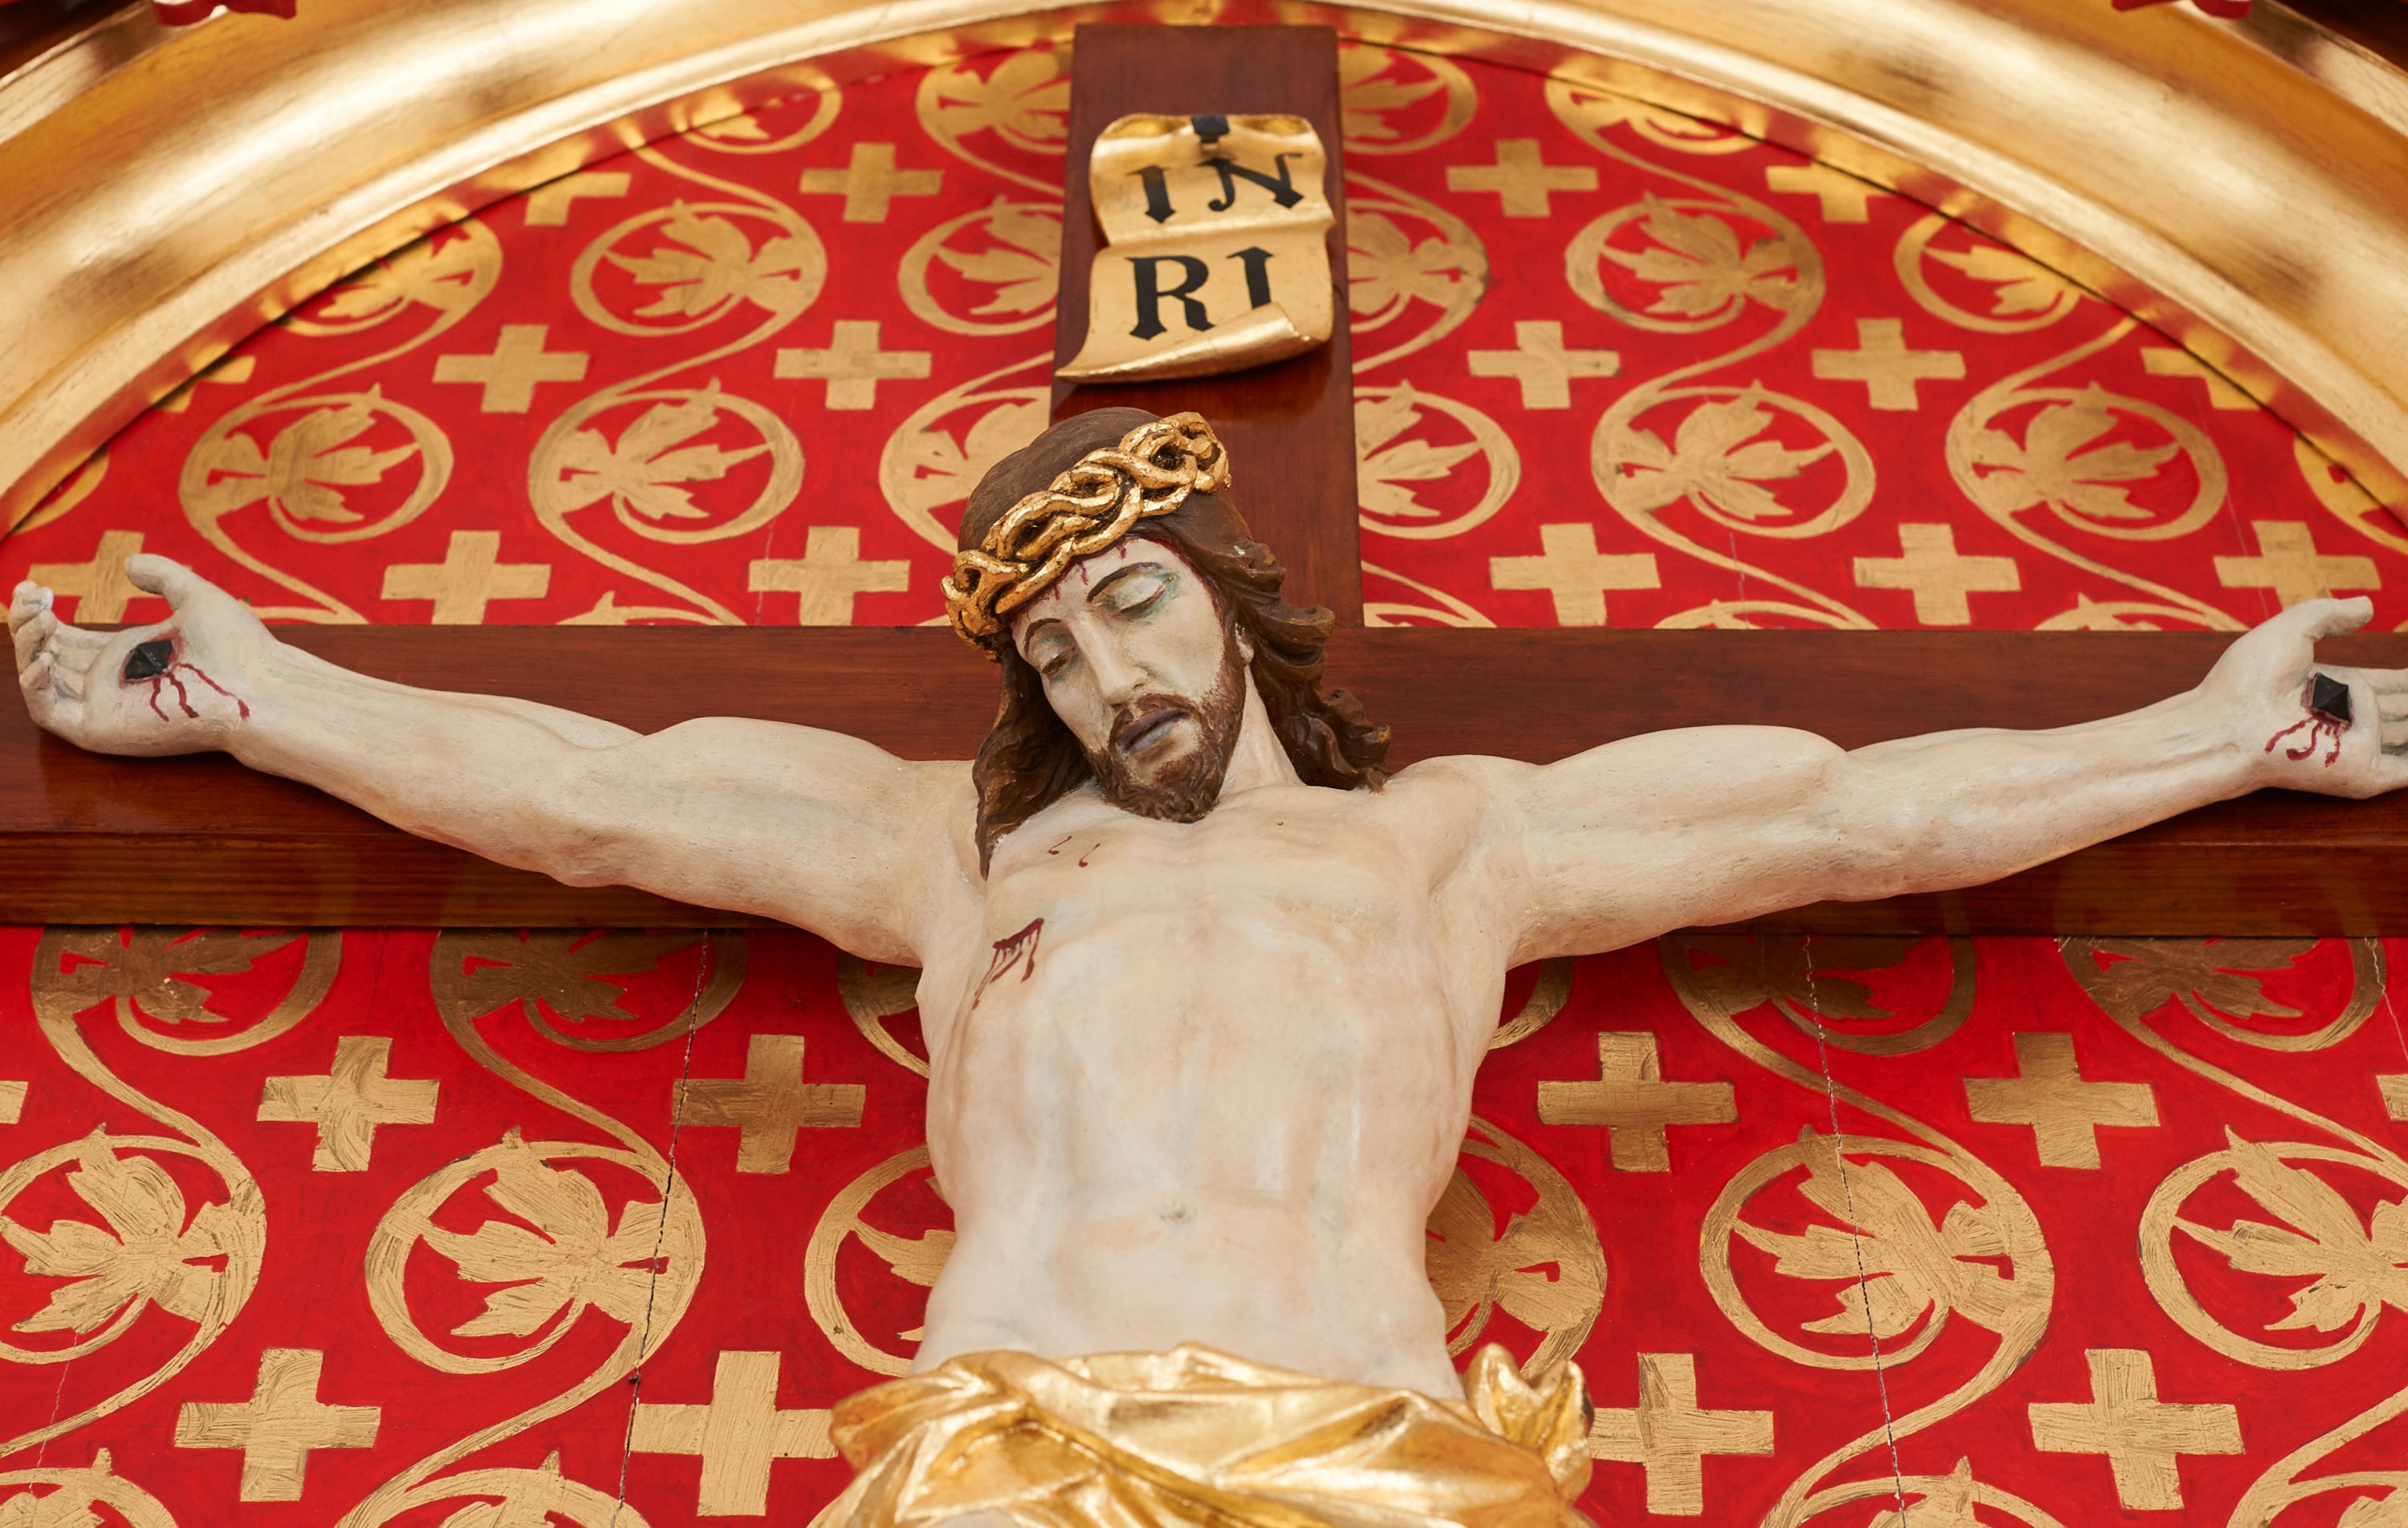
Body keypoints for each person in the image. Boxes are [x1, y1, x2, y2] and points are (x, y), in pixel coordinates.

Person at [13, 407, 2406, 1528]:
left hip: (1370, 1441)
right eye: (1053, 650)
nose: (1105, 675)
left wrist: (2219, 734)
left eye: (1135, 604)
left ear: (1239, 602)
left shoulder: (1452, 841)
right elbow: (593, 787)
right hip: (1009, 1440)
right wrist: (263, 695)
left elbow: (1860, 812)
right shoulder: (953, 844)